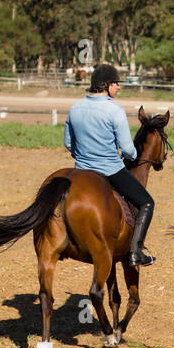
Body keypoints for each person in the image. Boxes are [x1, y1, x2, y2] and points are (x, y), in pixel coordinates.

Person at [62, 63, 156, 267]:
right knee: (147, 202)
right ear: (107, 85)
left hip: (82, 170)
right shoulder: (114, 110)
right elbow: (128, 149)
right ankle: (136, 252)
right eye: (116, 83)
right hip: (110, 170)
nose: (118, 87)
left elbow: (68, 143)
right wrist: (131, 155)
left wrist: (82, 155)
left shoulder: (75, 107)